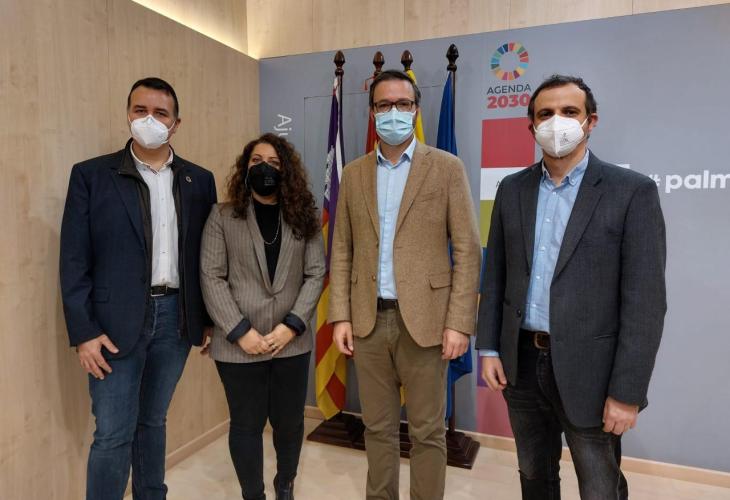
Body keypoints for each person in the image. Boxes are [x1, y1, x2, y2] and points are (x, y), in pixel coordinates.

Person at [476, 74, 666, 500]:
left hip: (593, 370)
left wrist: (627, 392)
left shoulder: (631, 191)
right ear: (531, 126)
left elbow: (646, 302)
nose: (556, 121)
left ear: (590, 121)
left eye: (569, 111)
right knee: (533, 476)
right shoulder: (512, 189)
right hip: (522, 364)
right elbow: (496, 274)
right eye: (545, 114)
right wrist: (488, 347)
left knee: (600, 486)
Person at [60, 77, 217, 500]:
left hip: (176, 320)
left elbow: (207, 257)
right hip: (112, 325)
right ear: (127, 115)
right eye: (140, 110)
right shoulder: (92, 176)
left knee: (153, 422)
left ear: (176, 123)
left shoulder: (199, 181)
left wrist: (206, 319)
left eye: (160, 113)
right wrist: (84, 332)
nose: (149, 119)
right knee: (113, 433)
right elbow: (73, 260)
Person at [328, 69, 482, 500]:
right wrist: (340, 315)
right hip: (368, 321)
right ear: (372, 112)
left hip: (427, 323)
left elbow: (467, 249)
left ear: (416, 110)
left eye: (403, 104)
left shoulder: (446, 167)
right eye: (384, 105)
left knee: (428, 432)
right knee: (376, 429)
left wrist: (459, 322)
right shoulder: (354, 173)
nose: (393, 112)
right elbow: (341, 248)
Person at [200, 133, 325, 500]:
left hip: (291, 342)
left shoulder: (304, 217)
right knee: (246, 425)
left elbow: (316, 273)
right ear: (245, 169)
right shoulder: (222, 216)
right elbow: (211, 275)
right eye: (256, 161)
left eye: (273, 162)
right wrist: (240, 331)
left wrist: (292, 326)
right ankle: (252, 494)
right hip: (238, 344)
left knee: (290, 423)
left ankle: (285, 483)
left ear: (286, 171)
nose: (264, 168)